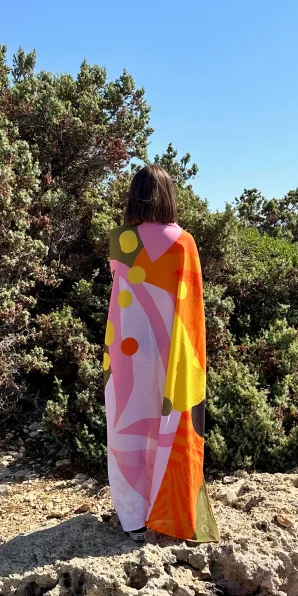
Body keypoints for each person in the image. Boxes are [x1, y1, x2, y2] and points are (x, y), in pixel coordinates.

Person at [103, 164, 220, 543]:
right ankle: (168, 510)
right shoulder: (184, 242)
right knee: (166, 429)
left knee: (128, 429)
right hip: (171, 353)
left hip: (125, 351)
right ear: (168, 196)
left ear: (133, 197)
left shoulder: (120, 240)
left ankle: (134, 519)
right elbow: (192, 307)